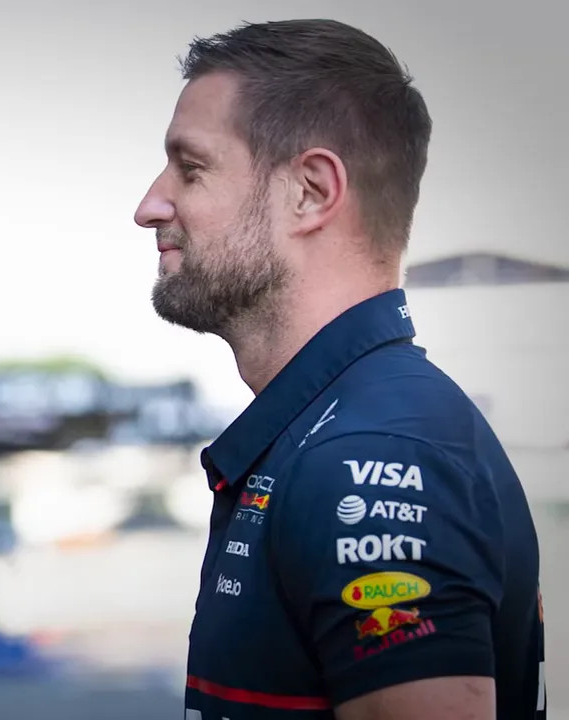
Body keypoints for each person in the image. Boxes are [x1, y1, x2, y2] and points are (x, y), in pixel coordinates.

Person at [133, 19, 545, 720]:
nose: (149, 206)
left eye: (191, 167)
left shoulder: (367, 451)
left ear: (312, 191)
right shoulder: (335, 430)